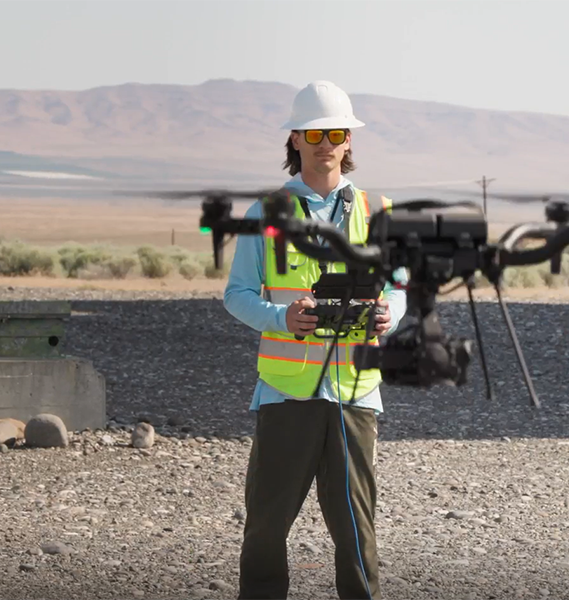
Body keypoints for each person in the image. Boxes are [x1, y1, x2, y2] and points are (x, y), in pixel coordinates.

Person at [223, 80, 408, 600]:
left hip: (354, 393)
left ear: (349, 142)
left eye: (335, 132)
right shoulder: (266, 213)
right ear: (296, 141)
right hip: (286, 393)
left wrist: (385, 315)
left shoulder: (379, 211)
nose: (325, 141)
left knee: (356, 531)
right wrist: (283, 318)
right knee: (265, 527)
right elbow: (236, 295)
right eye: (314, 133)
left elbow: (399, 289)